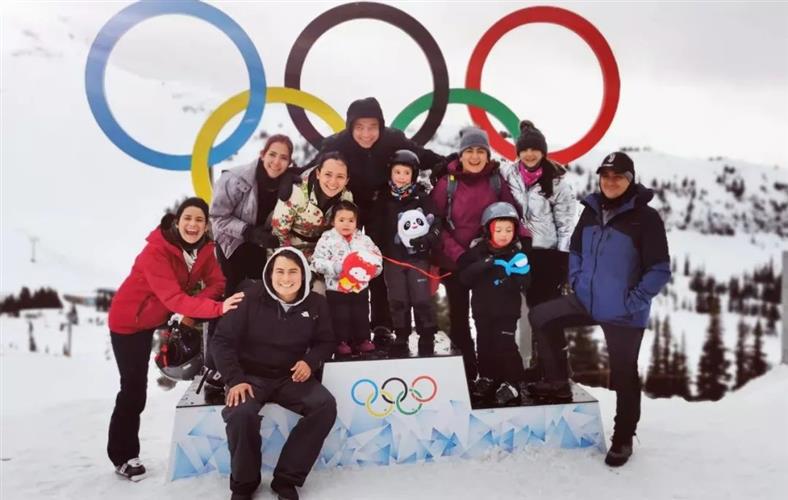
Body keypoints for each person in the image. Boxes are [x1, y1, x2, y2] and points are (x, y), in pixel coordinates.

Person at [526, 152, 671, 467]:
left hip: (623, 312)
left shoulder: (645, 218)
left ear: (630, 180)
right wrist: (577, 280)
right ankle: (557, 380)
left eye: (618, 176)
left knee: (623, 373)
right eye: (606, 176)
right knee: (541, 316)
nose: (611, 182)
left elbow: (659, 269)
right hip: (586, 299)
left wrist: (632, 301)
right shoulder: (591, 211)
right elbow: (576, 250)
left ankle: (623, 437)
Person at [107, 198, 244, 480]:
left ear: (206, 225)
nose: (193, 225)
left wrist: (192, 310)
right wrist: (213, 308)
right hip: (130, 321)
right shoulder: (155, 252)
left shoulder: (204, 249)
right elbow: (173, 298)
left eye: (199, 220)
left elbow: (217, 282)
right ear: (177, 221)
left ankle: (217, 373)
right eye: (188, 218)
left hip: (161, 315)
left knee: (218, 316)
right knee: (133, 388)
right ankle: (123, 456)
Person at [304, 97, 446, 342]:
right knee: (345, 259)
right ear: (350, 127)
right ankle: (345, 326)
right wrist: (291, 177)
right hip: (350, 207)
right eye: (359, 127)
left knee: (380, 259)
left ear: (381, 125)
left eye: (372, 127)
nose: (366, 134)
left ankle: (382, 323)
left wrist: (446, 163)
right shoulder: (338, 142)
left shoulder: (393, 139)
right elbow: (314, 167)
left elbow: (421, 155)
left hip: (382, 207)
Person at [210, 248, 337, 500]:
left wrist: (310, 361)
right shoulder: (248, 298)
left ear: (303, 274)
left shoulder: (316, 303)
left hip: (290, 377)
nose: (286, 278)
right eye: (280, 271)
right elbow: (221, 341)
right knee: (240, 413)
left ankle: (286, 479)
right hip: (250, 377)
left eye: (292, 271)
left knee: (325, 406)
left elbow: (326, 341)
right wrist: (235, 380)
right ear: (269, 273)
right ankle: (244, 483)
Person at [431, 126, 525, 384]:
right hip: (456, 262)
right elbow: (435, 223)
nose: (475, 156)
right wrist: (459, 254)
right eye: (469, 151)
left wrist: (518, 245)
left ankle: (491, 374)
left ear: (487, 154)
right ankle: (466, 373)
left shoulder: (496, 181)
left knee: (488, 319)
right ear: (461, 155)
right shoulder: (447, 183)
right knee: (459, 319)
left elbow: (512, 214)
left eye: (480, 151)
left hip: (489, 260)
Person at [498, 120, 576, 378]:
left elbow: (566, 224)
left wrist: (563, 259)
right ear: (518, 152)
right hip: (518, 251)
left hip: (546, 255)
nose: (530, 154)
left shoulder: (556, 182)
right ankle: (536, 366)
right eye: (525, 149)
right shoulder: (509, 173)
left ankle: (556, 371)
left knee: (545, 313)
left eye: (535, 149)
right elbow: (480, 163)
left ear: (543, 151)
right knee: (520, 311)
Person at [458, 202, 532, 406]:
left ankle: (513, 383)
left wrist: (513, 277)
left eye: (508, 230)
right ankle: (487, 377)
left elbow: (525, 282)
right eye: (498, 230)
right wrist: (483, 265)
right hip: (482, 310)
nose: (503, 235)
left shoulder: (516, 255)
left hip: (506, 312)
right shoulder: (478, 252)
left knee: (504, 345)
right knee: (484, 344)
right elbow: (464, 278)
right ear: (488, 230)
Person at [210, 134, 300, 295]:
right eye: (272, 154)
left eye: (283, 158)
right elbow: (218, 217)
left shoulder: (288, 183)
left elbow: (316, 168)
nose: (276, 162)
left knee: (261, 293)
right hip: (232, 243)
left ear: (289, 162)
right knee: (233, 293)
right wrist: (249, 232)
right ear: (262, 154)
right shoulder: (234, 178)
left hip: (261, 246)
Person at [373, 149, 441, 355]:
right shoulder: (383, 199)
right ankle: (401, 335)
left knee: (421, 298)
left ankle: (427, 334)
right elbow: (376, 227)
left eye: (406, 173)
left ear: (414, 174)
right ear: (390, 173)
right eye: (397, 172)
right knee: (397, 299)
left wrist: (427, 240)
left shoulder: (422, 197)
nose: (401, 177)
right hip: (393, 259)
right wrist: (377, 248)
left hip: (417, 258)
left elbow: (436, 222)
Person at [311, 201, 383, 355]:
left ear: (356, 222)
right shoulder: (327, 239)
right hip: (336, 288)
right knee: (340, 316)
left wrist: (373, 270)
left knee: (361, 314)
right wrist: (336, 267)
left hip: (359, 287)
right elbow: (316, 262)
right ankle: (340, 342)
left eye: (351, 220)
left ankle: (363, 340)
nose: (346, 224)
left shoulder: (363, 240)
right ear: (333, 221)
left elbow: (377, 257)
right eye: (341, 220)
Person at [271, 151, 353, 264]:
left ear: (347, 180)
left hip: (321, 254)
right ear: (318, 173)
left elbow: (344, 234)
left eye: (340, 176)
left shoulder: (346, 198)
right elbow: (279, 234)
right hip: (289, 250)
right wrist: (290, 261)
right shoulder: (297, 192)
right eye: (328, 174)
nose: (333, 182)